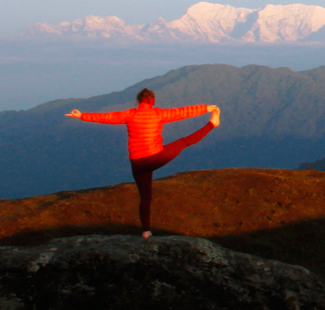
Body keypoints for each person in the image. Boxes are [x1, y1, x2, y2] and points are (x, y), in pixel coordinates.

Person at [66, 88, 221, 239]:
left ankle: (146, 232)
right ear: (152, 101)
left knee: (145, 197)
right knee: (184, 141)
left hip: (137, 164)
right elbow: (183, 112)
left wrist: (81, 115)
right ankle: (212, 124)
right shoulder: (158, 114)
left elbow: (106, 117)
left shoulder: (129, 114)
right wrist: (206, 108)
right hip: (156, 157)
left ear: (138, 101)